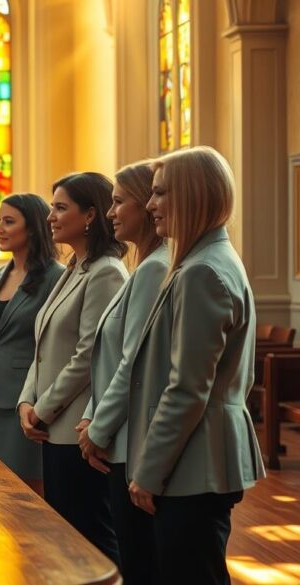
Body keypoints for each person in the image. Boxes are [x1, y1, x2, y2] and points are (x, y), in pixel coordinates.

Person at [127, 146, 265, 583]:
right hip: (197, 457)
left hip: (193, 462)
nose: (150, 205)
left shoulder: (201, 271)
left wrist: (149, 471)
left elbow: (188, 388)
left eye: (160, 193)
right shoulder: (207, 260)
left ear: (191, 195)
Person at [17, 172, 127, 563]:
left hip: (75, 428)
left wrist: (42, 410)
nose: (50, 217)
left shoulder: (107, 272)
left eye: (61, 208)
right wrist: (26, 401)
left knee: (89, 540)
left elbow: (87, 356)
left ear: (91, 215)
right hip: (53, 426)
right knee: (65, 538)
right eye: (51, 207)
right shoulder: (74, 268)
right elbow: (43, 345)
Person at [74, 162, 168, 584]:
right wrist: (92, 415)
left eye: (118, 201)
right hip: (119, 431)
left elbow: (133, 362)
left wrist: (98, 428)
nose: (111, 212)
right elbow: (108, 358)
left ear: (146, 206)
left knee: (138, 562)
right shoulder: (144, 266)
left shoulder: (153, 268)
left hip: (132, 438)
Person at [0, 194, 64, 490]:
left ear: (32, 227)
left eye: (9, 221)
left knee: (27, 491)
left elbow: (54, 343)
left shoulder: (55, 277)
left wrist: (41, 402)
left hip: (27, 398)